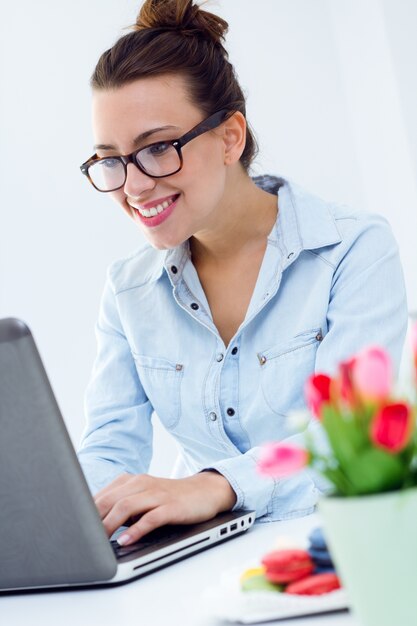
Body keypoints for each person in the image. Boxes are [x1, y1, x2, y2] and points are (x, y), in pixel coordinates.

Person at [77, 0, 408, 547]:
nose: (133, 187)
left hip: (344, 551)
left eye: (157, 149)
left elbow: (348, 442)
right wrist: (62, 522)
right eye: (110, 160)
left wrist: (220, 484)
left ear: (231, 137)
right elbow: (109, 450)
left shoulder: (352, 249)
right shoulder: (129, 289)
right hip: (202, 564)